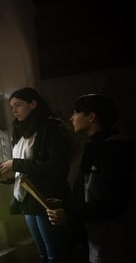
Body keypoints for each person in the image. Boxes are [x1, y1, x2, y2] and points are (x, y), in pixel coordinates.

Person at [46, 94, 134, 262]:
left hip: (116, 239)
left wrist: (70, 214)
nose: (71, 117)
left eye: (76, 112)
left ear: (91, 117)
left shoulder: (114, 149)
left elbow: (113, 200)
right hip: (100, 236)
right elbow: (88, 192)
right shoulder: (97, 147)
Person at [0, 87, 73, 262]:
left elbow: (55, 167)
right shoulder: (22, 134)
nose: (14, 111)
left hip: (46, 198)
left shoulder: (52, 129)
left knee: (56, 255)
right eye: (12, 107)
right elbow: (23, 171)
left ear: (33, 104)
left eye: (18, 105)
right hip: (27, 200)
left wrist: (16, 164)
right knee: (44, 255)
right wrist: (6, 176)